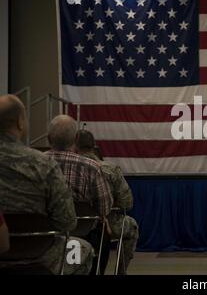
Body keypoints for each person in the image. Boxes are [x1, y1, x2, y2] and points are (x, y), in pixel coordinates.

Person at [0, 94, 93, 274]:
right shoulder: (43, 164)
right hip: (40, 254)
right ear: (20, 122)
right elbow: (67, 221)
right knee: (82, 250)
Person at [45, 114, 113, 275]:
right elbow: (104, 207)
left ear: (48, 138)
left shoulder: (35, 163)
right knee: (103, 230)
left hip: (43, 236)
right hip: (84, 234)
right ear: (76, 138)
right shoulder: (91, 167)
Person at [76, 129, 139, 275]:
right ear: (94, 146)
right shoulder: (110, 169)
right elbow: (127, 203)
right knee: (131, 227)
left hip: (75, 224)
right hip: (107, 223)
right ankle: (120, 271)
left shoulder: (69, 167)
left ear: (75, 146)